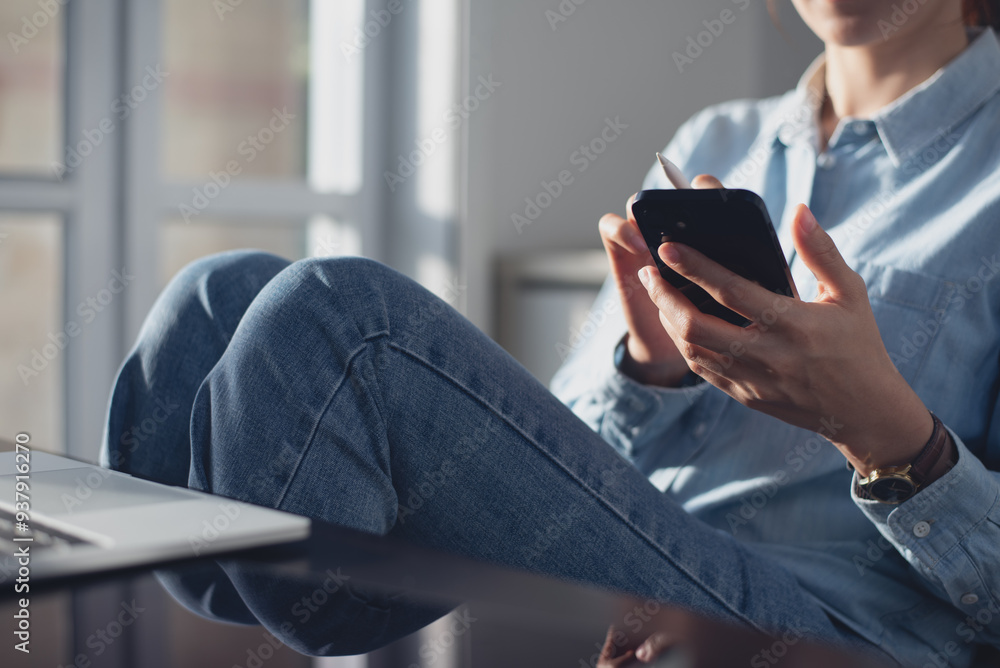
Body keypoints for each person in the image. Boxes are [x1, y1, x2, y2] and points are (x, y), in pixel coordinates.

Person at [102, 0, 1000, 665]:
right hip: (642, 547)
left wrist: (882, 432)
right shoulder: (721, 137)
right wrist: (645, 370)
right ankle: (224, 584)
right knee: (217, 296)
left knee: (337, 320)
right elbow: (569, 437)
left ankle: (316, 594)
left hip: (837, 625)